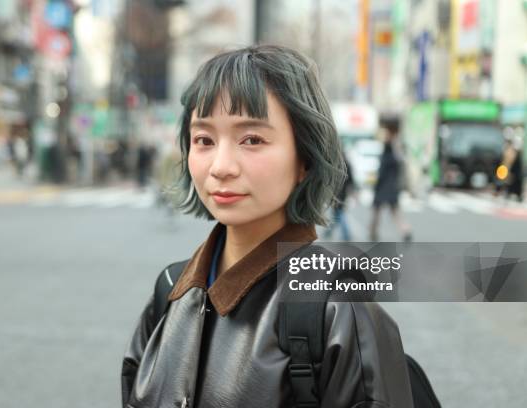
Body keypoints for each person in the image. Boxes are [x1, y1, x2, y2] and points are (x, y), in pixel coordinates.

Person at [121, 45, 414, 407]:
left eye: (252, 140)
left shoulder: (337, 307)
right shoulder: (169, 293)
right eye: (204, 140)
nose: (221, 166)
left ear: (304, 157)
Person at [369, 124, 412, 242]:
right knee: (395, 213)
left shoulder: (385, 157)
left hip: (382, 189)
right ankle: (405, 230)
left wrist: (376, 185)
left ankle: (373, 232)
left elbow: (381, 174)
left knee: (376, 213)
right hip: (393, 188)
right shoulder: (395, 157)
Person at [324, 152, 354, 241]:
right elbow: (351, 181)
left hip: (337, 194)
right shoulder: (347, 165)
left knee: (339, 214)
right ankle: (329, 232)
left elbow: (330, 181)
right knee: (337, 214)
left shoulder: (337, 166)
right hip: (341, 194)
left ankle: (346, 235)